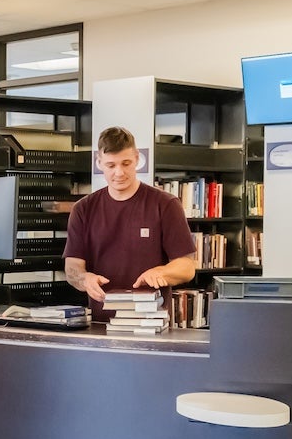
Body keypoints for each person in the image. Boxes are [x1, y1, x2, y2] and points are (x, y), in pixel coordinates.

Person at [63, 127, 197, 321]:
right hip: (101, 324)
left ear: (137, 158)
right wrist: (84, 279)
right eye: (111, 165)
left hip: (150, 323)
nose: (119, 173)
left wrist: (162, 272)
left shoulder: (165, 205)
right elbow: (72, 268)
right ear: (99, 163)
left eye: (126, 163)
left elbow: (186, 267)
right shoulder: (83, 209)